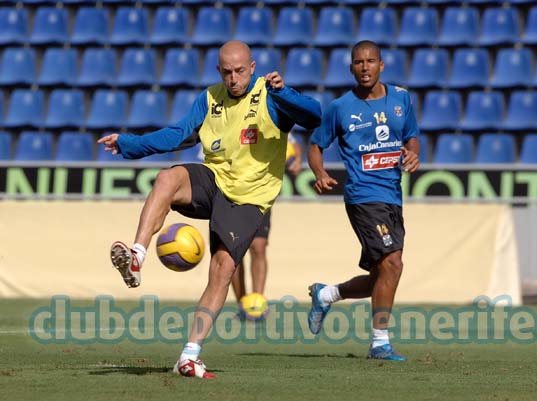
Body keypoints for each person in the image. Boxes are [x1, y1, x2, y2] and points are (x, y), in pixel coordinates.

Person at [97, 40, 321, 378]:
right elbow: (178, 136)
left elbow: (314, 114)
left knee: (221, 269)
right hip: (214, 179)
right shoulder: (208, 98)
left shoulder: (271, 96)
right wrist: (129, 144)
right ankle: (137, 254)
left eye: (240, 71)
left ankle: (189, 355)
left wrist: (285, 91)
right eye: (227, 72)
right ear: (219, 71)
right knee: (166, 179)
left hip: (248, 198)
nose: (233, 79)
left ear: (253, 67)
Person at [306, 40, 420, 361]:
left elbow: (412, 136)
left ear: (381, 65)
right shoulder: (340, 108)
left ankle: (326, 294)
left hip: (392, 196)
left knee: (382, 276)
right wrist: (319, 172)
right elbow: (315, 145)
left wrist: (413, 154)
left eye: (371, 61)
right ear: (352, 68)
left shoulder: (401, 99)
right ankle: (379, 343)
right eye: (359, 62)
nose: (365, 67)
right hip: (363, 196)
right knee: (393, 263)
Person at [231, 136, 303, 317]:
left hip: (260, 192)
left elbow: (293, 144)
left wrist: (298, 159)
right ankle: (242, 304)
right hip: (230, 191)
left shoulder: (266, 115)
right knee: (233, 252)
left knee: (259, 246)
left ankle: (258, 302)